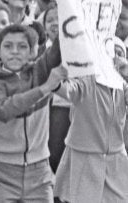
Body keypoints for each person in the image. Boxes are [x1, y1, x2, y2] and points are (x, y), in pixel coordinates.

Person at [0, 24, 63, 202]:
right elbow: (3, 110)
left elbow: (61, 45)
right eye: (8, 46)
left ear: (32, 52)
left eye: (22, 46)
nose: (15, 51)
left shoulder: (40, 71)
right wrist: (44, 89)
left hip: (40, 172)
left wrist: (68, 13)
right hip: (1, 174)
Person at [53, 51, 128, 202]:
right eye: (109, 53)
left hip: (116, 160)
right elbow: (67, 90)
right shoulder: (86, 81)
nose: (115, 58)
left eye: (119, 53)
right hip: (83, 159)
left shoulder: (122, 85)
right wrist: (55, 79)